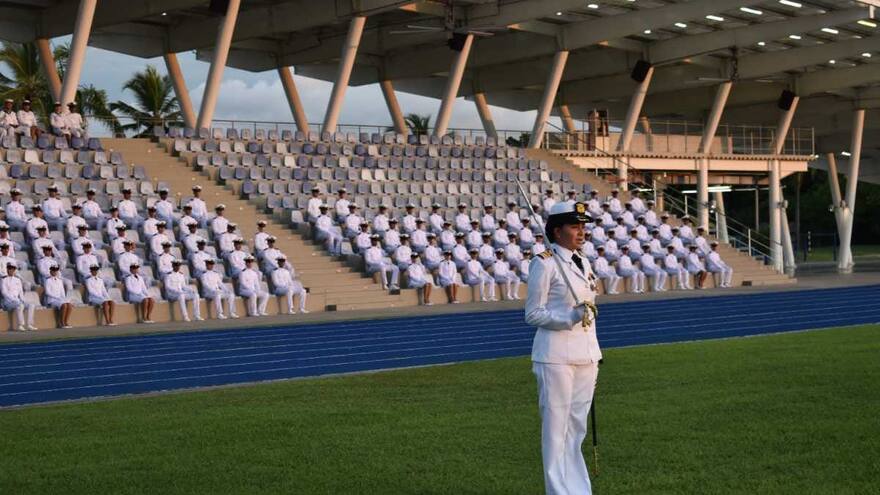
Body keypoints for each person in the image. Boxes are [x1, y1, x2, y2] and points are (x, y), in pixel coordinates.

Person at [524, 201, 602, 495]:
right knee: (556, 433)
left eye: (583, 226)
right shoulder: (543, 263)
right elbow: (532, 313)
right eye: (574, 226)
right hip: (556, 357)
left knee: (576, 431)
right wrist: (567, 317)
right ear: (557, 231)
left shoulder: (583, 261)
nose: (581, 231)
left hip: (586, 355)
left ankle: (579, 490)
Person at [2, 262, 36, 331]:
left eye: (13, 269)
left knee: (31, 305)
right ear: (7, 269)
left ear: (14, 270)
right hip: (8, 302)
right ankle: (20, 325)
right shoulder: (3, 280)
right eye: (9, 268)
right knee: (20, 305)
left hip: (17, 300)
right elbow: (4, 292)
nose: (11, 270)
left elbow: (20, 292)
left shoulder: (18, 280)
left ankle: (29, 324)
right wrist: (14, 299)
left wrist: (23, 299)